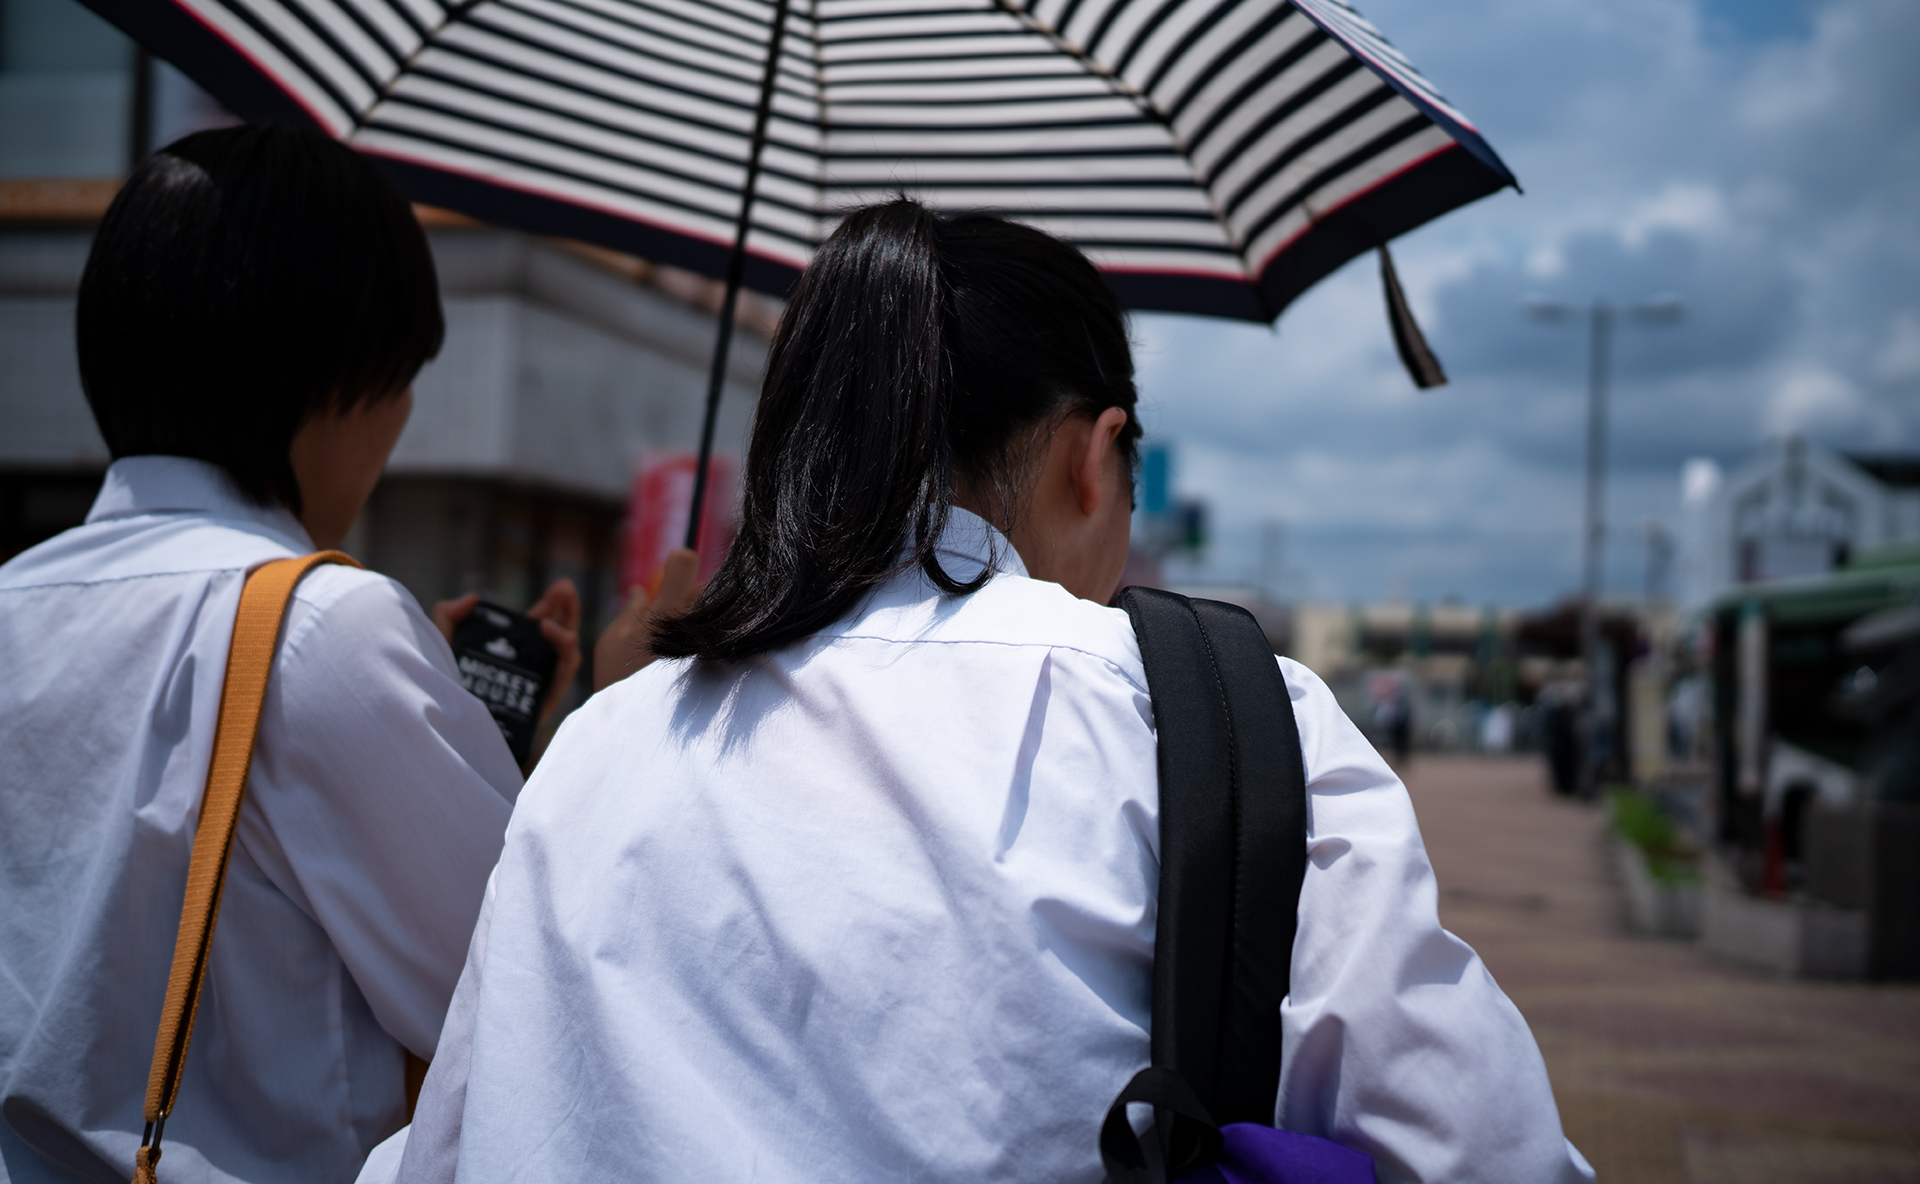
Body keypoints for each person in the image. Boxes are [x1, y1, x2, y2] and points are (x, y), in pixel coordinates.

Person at [379, 201, 1594, 1183]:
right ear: (1092, 452)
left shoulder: (609, 740)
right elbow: (1487, 1149)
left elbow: (446, 1146)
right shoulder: (1221, 722)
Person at [0, 126, 585, 1184]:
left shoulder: (15, 597)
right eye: (400, 377)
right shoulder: (324, 632)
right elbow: (521, 989)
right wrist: (619, 721)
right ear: (336, 379)